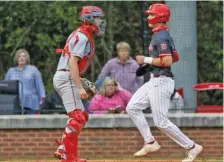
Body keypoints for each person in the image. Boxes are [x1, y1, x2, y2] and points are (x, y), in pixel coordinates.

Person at [126, 3, 203, 162]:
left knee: (160, 121)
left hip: (161, 81)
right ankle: (150, 142)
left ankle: (192, 147)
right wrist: (150, 65)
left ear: (160, 17)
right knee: (132, 107)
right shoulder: (161, 35)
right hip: (155, 79)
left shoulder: (160, 36)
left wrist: (145, 59)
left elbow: (167, 61)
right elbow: (175, 57)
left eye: (152, 15)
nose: (148, 17)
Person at [53, 6, 106, 162]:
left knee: (82, 116)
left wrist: (79, 82)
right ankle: (68, 156)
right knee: (77, 117)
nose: (100, 22)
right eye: (98, 18)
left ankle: (66, 152)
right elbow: (72, 63)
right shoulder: (82, 37)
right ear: (89, 19)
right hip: (66, 77)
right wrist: (80, 87)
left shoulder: (82, 34)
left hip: (65, 76)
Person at [4, 49, 45, 114]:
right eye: (19, 56)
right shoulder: (11, 71)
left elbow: (40, 87)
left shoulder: (33, 70)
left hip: (31, 105)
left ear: (27, 59)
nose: (21, 58)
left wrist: (42, 102)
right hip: (15, 105)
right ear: (16, 59)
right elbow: (5, 88)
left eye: (24, 56)